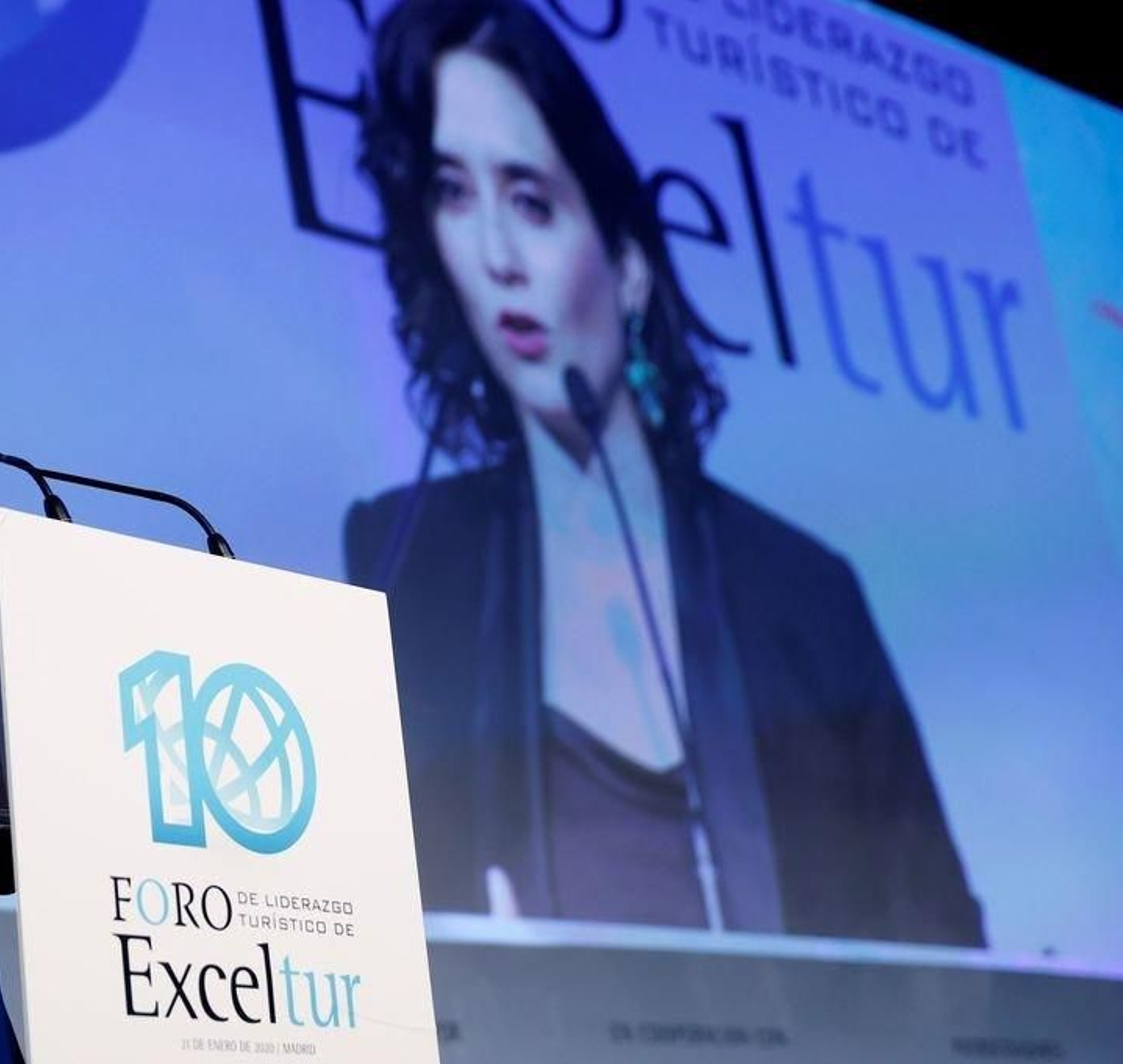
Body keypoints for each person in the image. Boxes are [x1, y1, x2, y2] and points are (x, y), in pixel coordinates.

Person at [346, 0, 984, 945]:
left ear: (630, 264)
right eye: (452, 193)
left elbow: (944, 954)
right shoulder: (409, 559)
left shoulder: (805, 596)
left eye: (531, 201)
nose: (494, 256)